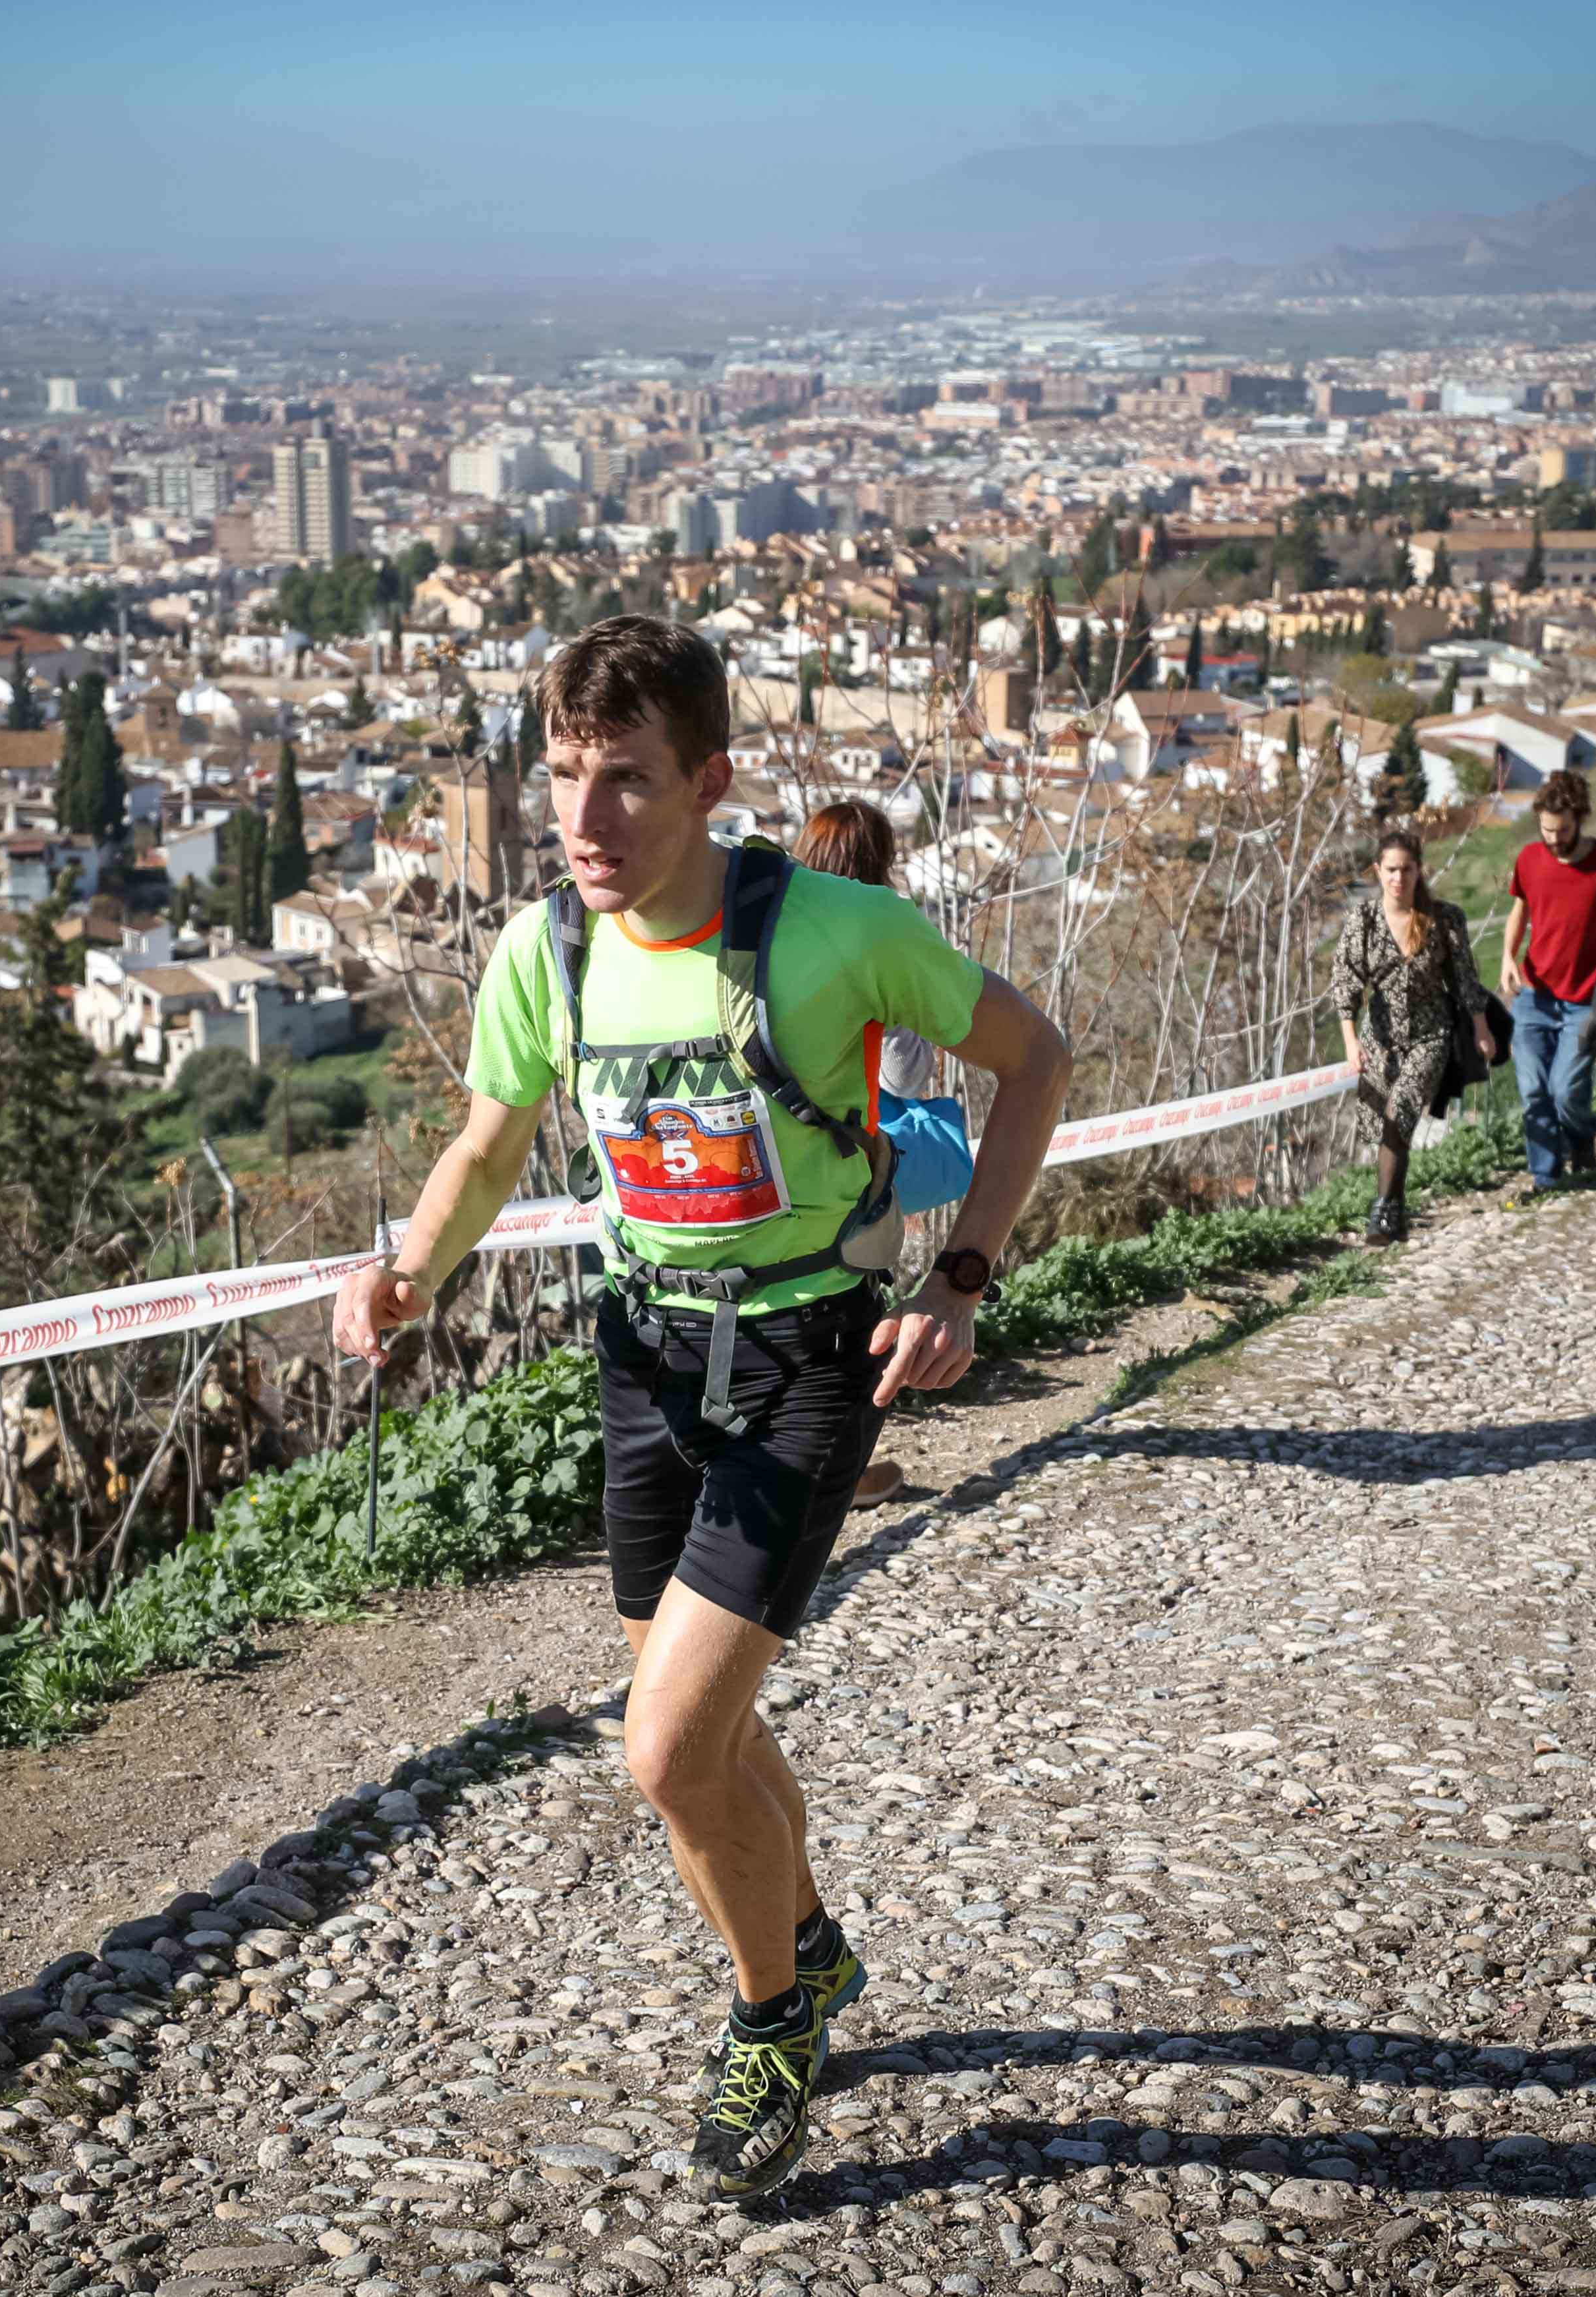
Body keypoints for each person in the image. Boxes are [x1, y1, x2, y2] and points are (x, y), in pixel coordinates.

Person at [332, 618, 1071, 2201]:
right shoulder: (545, 950)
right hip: (645, 1360)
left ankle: (771, 2014)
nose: (583, 818)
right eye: (561, 777)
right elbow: (487, 1142)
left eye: (625, 780)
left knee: (667, 1747)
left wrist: (961, 1276)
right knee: (705, 1730)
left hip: (805, 1357)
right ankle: (807, 1939)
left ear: (709, 782)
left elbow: (1036, 1058)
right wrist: (406, 1267)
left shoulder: (838, 928)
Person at [787, 798, 956, 1510]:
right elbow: (902, 1077)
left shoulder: (771, 926)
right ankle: (842, 1474)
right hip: (850, 1159)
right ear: (879, 862)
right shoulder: (878, 933)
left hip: (769, 1153)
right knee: (847, 1312)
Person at [1496, 767, 1596, 1200]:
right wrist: (1508, 956)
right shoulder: (1529, 859)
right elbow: (1520, 909)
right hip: (1533, 996)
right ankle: (1547, 1178)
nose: (1552, 838)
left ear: (1580, 819)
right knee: (1533, 1090)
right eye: (1546, 829)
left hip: (1587, 1002)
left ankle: (1581, 1138)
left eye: (1562, 830)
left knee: (1566, 1091)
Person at [1334, 829, 1498, 1244]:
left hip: (1430, 1034)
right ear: (1378, 871)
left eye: (1407, 870)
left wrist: (1481, 1028)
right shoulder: (1363, 921)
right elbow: (1346, 982)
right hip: (1381, 1037)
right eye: (1391, 870)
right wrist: (1351, 1041)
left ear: (1419, 871)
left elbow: (1465, 979)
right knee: (1387, 1126)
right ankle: (1396, 1212)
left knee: (1401, 1108)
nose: (1398, 878)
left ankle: (1381, 1212)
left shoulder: (1444, 919)